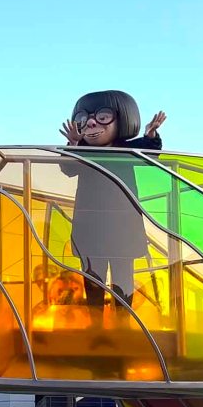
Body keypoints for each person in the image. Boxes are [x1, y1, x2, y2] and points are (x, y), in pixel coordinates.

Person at [58, 90, 167, 312]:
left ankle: (123, 319)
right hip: (90, 227)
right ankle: (95, 324)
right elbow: (68, 168)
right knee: (92, 275)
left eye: (102, 116)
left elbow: (150, 153)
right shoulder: (81, 151)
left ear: (123, 119)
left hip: (122, 226)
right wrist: (73, 144)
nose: (90, 123)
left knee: (123, 274)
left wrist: (151, 135)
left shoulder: (125, 149)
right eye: (83, 118)